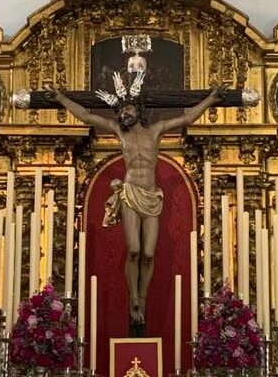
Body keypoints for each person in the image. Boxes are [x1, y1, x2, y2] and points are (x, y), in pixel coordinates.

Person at [48, 71, 219, 334]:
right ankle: (134, 300)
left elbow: (186, 118)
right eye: (120, 111)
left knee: (149, 254)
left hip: (151, 196)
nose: (122, 114)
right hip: (129, 192)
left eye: (127, 109)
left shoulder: (155, 131)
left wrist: (210, 99)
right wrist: (60, 98)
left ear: (138, 110)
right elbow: (86, 116)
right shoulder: (120, 131)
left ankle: (143, 296)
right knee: (135, 249)